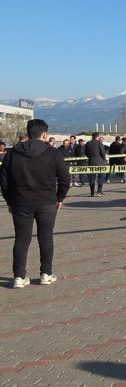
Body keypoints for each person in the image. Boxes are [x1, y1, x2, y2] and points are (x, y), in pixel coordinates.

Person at [0, 119, 70, 288]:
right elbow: (64, 179)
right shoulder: (53, 153)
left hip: (20, 203)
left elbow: (3, 180)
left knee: (22, 238)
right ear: (44, 134)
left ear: (28, 132)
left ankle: (19, 276)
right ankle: (46, 273)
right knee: (45, 237)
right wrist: (59, 198)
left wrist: (10, 200)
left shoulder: (12, 153)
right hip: (47, 202)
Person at [84, 132, 107, 197]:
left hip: (91, 162)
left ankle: (92, 193)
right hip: (100, 162)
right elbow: (103, 152)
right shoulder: (99, 143)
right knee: (101, 177)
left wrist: (90, 157)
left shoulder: (88, 143)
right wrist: (103, 159)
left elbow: (85, 153)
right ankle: (99, 191)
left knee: (92, 178)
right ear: (97, 137)